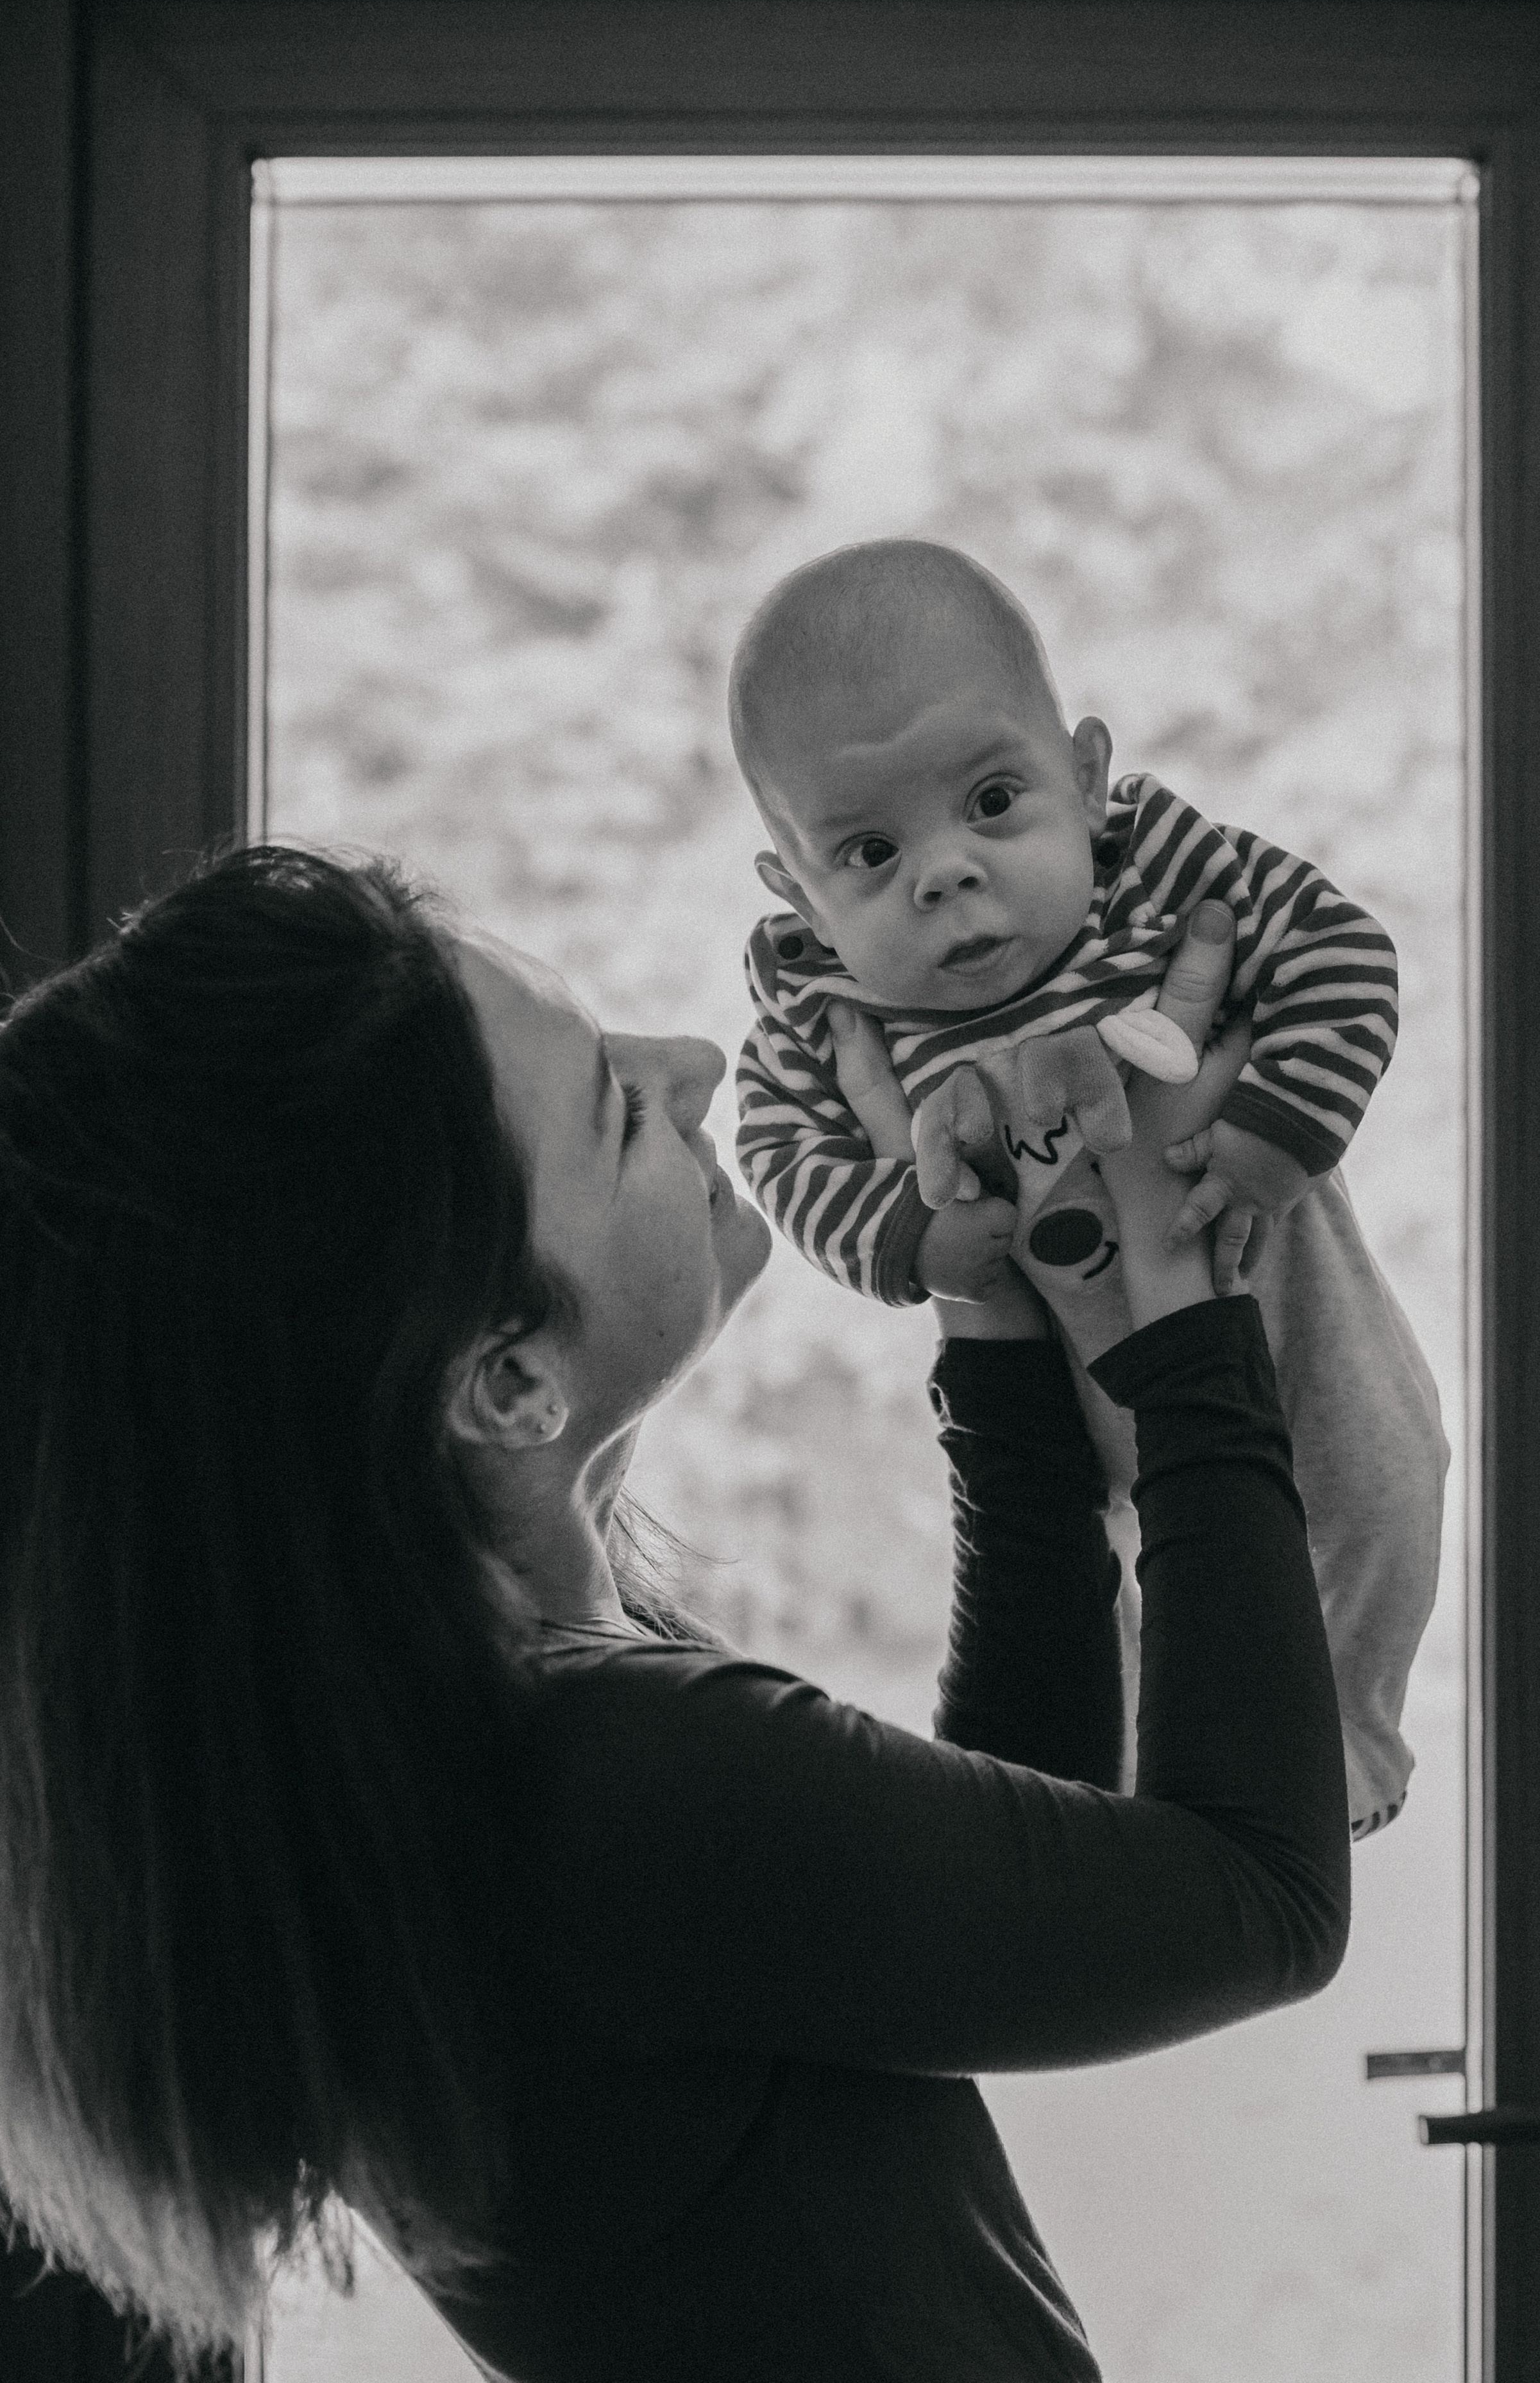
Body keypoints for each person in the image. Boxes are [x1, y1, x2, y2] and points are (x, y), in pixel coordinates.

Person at [0, 845, 1347, 2382]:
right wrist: (1179, 1309)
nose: (696, 1067)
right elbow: (1261, 1901)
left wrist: (994, 1327)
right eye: (613, 1109)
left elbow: (985, 1884)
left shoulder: (467, 1747)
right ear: (504, 1379)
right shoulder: (603, 1782)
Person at [731, 536, 1446, 1835]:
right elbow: (780, 1154)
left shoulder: (1166, 879)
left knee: (1381, 1487)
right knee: (1114, 1596)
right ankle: (1153, 1800)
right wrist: (907, 1235)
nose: (943, 872)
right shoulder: (818, 1009)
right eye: (868, 853)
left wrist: (1272, 1134)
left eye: (994, 801)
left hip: (1284, 1303)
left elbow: (1340, 951)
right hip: (1067, 1397)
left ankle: (1343, 1730)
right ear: (798, 893)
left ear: (1086, 775)